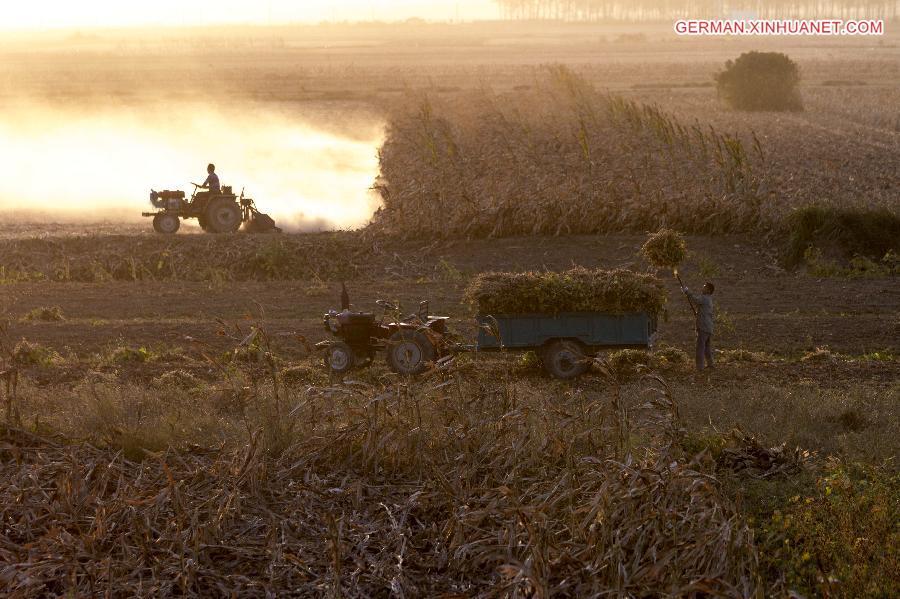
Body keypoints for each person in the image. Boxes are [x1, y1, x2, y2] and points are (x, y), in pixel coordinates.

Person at [681, 281, 715, 371]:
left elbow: (695, 300)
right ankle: (710, 364)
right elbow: (702, 309)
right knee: (706, 347)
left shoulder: (704, 298)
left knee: (700, 347)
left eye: (704, 287)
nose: (702, 288)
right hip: (708, 327)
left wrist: (687, 292)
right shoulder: (708, 299)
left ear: (708, 290)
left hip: (703, 326)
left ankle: (700, 367)